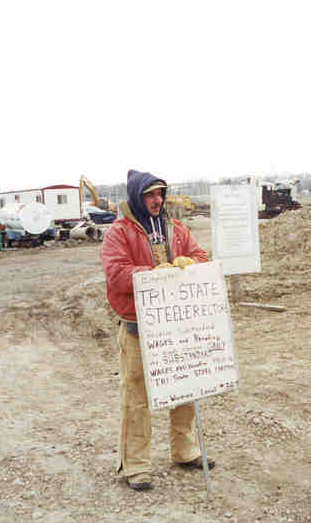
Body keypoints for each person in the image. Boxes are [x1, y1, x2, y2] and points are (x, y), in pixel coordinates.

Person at [101, 169, 214, 491]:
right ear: (138, 197)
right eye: (150, 194)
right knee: (137, 396)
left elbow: (200, 256)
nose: (157, 200)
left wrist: (188, 264)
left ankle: (185, 450)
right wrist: (154, 274)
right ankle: (136, 466)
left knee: (187, 386)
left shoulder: (176, 228)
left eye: (160, 193)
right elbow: (116, 274)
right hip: (138, 327)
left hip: (177, 326)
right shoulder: (119, 232)